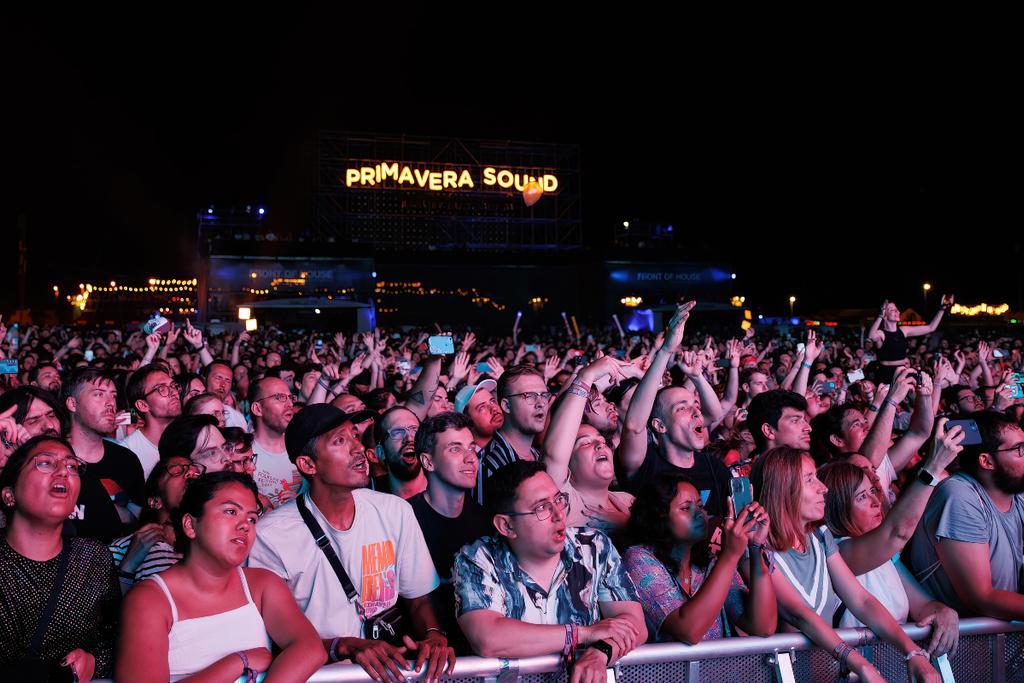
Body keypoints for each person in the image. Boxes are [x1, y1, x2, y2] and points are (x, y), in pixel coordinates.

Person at [249, 404, 455, 683]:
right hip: (319, 677)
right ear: (308, 465)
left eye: (355, 436)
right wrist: (341, 646)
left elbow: (419, 599)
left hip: (391, 673)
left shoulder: (395, 512)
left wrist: (433, 635)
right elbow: (274, 639)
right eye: (339, 441)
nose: (358, 448)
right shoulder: (270, 536)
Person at [116, 472, 325, 682]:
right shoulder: (149, 600)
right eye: (231, 511)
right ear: (190, 525)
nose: (245, 525)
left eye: (252, 518)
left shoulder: (262, 584)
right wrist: (237, 662)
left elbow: (310, 648)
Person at [755, 447, 941, 683]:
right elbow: (800, 615)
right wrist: (861, 665)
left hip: (827, 674)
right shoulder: (759, 547)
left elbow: (862, 601)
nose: (823, 488)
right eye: (810, 480)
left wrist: (913, 652)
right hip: (784, 675)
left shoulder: (820, 538)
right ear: (783, 488)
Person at [454, 461, 646, 681]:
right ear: (506, 526)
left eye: (558, 500)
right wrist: (583, 634)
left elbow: (635, 624)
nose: (558, 515)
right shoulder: (478, 558)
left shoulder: (593, 546)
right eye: (541, 507)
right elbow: (487, 638)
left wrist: (601, 651)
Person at [0, 436, 120, 681]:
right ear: (9, 495)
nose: (64, 472)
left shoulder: (93, 557)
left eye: (72, 466)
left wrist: (94, 662)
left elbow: (120, 637)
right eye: (45, 463)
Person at [819, 456, 959, 658]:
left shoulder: (888, 555)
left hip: (896, 664)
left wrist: (945, 612)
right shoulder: (840, 552)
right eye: (861, 497)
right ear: (838, 508)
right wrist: (933, 467)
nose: (876, 502)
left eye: (873, 492)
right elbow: (897, 533)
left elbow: (923, 606)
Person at [620, 474, 776, 642]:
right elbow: (689, 631)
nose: (700, 514)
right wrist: (730, 555)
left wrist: (754, 547)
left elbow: (763, 626)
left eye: (700, 506)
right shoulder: (638, 560)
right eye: (686, 508)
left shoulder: (708, 564)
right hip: (669, 669)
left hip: (718, 668)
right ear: (659, 516)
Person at [617, 302, 731, 517]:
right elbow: (633, 426)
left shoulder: (714, 466)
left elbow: (714, 414)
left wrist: (697, 376)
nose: (696, 412)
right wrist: (666, 351)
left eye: (695, 405)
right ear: (659, 425)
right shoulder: (646, 464)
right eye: (682, 408)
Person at [907, 411, 1024, 619]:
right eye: (1019, 449)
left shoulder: (1017, 495)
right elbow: (981, 597)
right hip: (965, 647)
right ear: (987, 461)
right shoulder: (958, 495)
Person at [407, 411, 492, 653]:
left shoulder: (486, 521)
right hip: (422, 657)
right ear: (428, 462)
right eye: (455, 449)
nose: (470, 458)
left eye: (471, 448)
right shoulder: (405, 518)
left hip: (475, 656)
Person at [544, 356, 636, 531]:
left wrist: (626, 523)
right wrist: (586, 376)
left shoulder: (628, 501)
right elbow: (553, 455)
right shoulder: (565, 503)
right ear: (567, 464)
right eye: (585, 443)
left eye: (602, 441)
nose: (600, 446)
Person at [63, 368, 145, 541]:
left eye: (114, 396)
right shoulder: (53, 459)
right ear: (72, 404)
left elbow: (141, 523)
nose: (111, 403)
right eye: (99, 394)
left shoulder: (126, 460)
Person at [108, 455, 200, 590]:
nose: (191, 474)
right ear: (155, 501)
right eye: (177, 471)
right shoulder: (120, 550)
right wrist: (128, 566)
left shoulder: (210, 544)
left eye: (197, 473)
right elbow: (109, 607)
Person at [478, 365, 550, 479]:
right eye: (529, 396)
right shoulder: (489, 464)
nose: (540, 403)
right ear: (506, 405)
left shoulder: (538, 456)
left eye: (544, 395)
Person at [867, 298, 951, 384]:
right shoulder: (881, 333)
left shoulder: (904, 330)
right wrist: (880, 315)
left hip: (902, 371)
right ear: (884, 315)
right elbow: (871, 336)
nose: (897, 311)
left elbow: (931, 328)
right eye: (892, 309)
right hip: (886, 374)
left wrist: (942, 308)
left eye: (896, 309)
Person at [248, 377, 303, 508]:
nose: (290, 404)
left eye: (290, 398)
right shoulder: (242, 453)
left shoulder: (301, 447)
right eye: (279, 397)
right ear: (258, 409)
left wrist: (300, 502)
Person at [120, 364, 182, 478]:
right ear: (143, 405)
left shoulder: (188, 438)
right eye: (162, 389)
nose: (174, 392)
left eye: (173, 386)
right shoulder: (128, 451)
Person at [370, 406, 428, 499]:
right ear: (381, 452)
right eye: (397, 432)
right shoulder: (371, 497)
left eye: (414, 430)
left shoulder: (445, 485)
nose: (409, 438)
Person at [453, 379, 503, 451]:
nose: (494, 408)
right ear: (468, 422)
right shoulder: (472, 460)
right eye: (482, 407)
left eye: (492, 401)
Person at [203, 359, 247, 430]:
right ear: (205, 379)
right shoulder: (194, 410)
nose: (223, 385)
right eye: (218, 378)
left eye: (228, 381)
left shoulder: (238, 418)